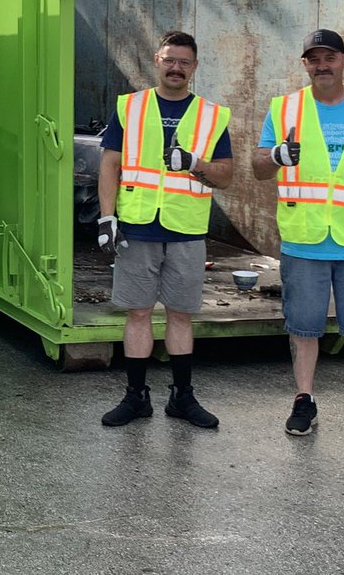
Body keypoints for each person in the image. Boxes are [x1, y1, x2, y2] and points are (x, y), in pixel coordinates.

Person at [251, 28, 344, 442]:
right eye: (313, 59)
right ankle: (304, 399)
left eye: (329, 57)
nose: (322, 65)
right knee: (303, 327)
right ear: (305, 64)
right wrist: (276, 156)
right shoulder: (284, 109)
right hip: (304, 238)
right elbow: (259, 166)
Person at [96, 31, 233, 428]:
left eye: (184, 62)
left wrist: (194, 162)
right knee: (137, 313)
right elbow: (111, 164)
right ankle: (136, 397)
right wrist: (108, 217)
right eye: (169, 60)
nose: (176, 68)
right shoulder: (130, 107)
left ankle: (182, 398)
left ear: (195, 67)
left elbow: (225, 176)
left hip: (186, 230)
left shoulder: (211, 115)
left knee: (180, 315)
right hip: (137, 227)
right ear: (156, 60)